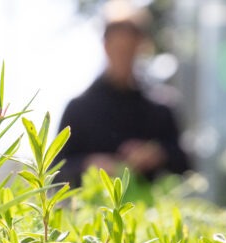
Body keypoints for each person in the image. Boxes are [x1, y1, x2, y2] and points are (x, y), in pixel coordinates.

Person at [57, 1, 190, 187]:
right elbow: (55, 172)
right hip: (91, 211)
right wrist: (91, 164)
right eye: (118, 48)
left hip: (149, 211)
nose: (123, 56)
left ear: (141, 47)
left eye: (129, 49)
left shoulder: (160, 108)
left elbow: (186, 165)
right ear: (106, 46)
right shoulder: (79, 109)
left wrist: (157, 154)